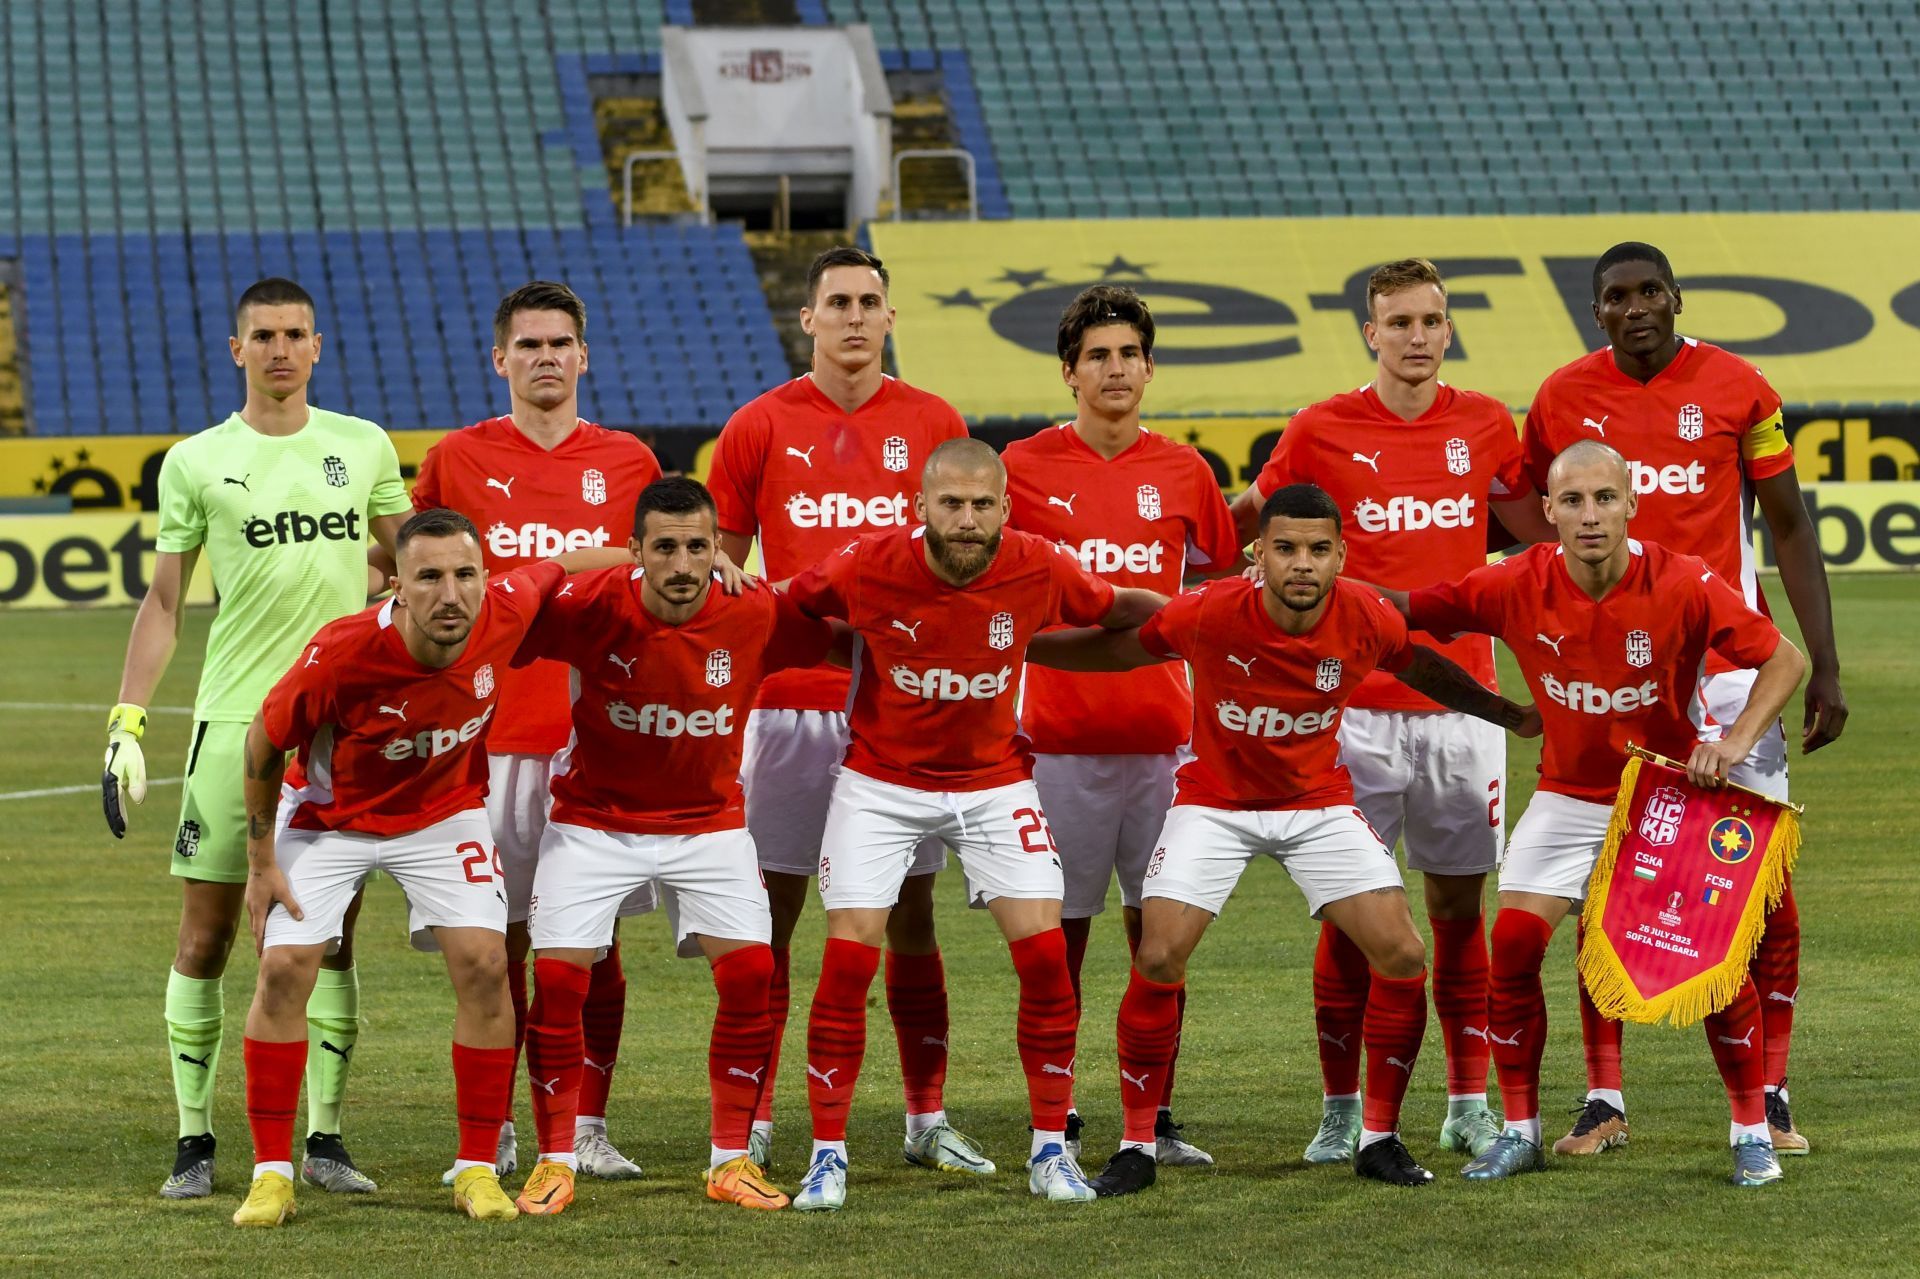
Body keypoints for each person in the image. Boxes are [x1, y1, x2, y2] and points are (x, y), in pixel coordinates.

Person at [1029, 483, 1539, 1196]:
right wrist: (1017, 647)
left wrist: (1505, 712)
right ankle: (1138, 1143)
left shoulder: (1364, 613)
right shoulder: (1208, 612)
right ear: (1257, 554)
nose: (1304, 564)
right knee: (1159, 951)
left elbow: (1420, 666)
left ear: (1341, 556)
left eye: (1319, 550)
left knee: (1402, 951)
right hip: (1215, 802)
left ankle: (1378, 1137)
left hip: (1316, 802)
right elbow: (1119, 650)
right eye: (1288, 549)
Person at [1397, 439, 1805, 1186]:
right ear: (1547, 511)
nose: (1591, 515)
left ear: (1631, 503)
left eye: (1605, 498)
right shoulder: (1513, 580)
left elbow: (1785, 659)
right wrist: (1312, 584)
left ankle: (1752, 1131)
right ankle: (1520, 1129)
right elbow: (1405, 613)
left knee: (1717, 968)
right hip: (1567, 795)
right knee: (1513, 944)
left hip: (1664, 795)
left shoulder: (1682, 580)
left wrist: (1737, 740)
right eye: (1574, 501)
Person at [781, 438, 1166, 1210]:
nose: (966, 519)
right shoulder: (864, 564)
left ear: (1004, 508)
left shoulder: (1040, 563)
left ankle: (1051, 1149)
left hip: (994, 781)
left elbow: (1115, 607)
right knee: (849, 957)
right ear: (919, 506)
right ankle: (827, 1154)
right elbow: (788, 607)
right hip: (881, 781)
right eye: (950, 503)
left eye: (980, 504)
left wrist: (1194, 613)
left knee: (1047, 959)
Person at [1228, 258, 1555, 1163]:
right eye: (1399, 321)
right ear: (1370, 331)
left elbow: (1540, 539)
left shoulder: (1488, 424)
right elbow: (1244, 524)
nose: (1417, 336)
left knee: (1457, 909)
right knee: (1349, 912)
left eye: (1432, 320)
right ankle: (1341, 1109)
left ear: (1449, 330)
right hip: (1350, 711)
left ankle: (1465, 1099)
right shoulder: (1322, 426)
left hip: (1463, 714)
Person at [1521, 241, 1844, 1156]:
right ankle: (1602, 1097)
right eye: (1616, 296)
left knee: (1762, 880)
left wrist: (1821, 661)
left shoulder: (1741, 386)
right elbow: (1529, 507)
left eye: (1649, 291)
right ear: (1597, 311)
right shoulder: (1559, 397)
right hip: (1613, 670)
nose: (1635, 308)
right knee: (1604, 874)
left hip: (1728, 667)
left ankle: (1771, 1091)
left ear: (1674, 296)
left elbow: (1788, 525)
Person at [101, 277, 412, 1199]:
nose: (280, 348)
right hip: (234, 722)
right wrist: (126, 717)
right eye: (263, 335)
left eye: (295, 334)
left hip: (339, 729)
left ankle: (324, 1135)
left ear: (319, 345)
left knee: (330, 938)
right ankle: (195, 1140)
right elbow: (165, 599)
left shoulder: (361, 447)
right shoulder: (196, 461)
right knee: (206, 937)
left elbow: (416, 556)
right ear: (236, 349)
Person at [230, 508, 624, 1227]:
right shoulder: (342, 652)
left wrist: (663, 562)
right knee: (285, 968)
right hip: (329, 817)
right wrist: (260, 862)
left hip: (443, 812)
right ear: (398, 588)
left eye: (466, 574)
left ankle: (476, 1167)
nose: (452, 594)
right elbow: (261, 745)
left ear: (484, 576)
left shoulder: (504, 608)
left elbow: (566, 559)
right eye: (430, 577)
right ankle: (271, 1173)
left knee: (484, 963)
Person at [507, 477, 842, 1216]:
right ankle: (554, 1159)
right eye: (665, 547)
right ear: (635, 552)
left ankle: (729, 1160)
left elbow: (833, 625)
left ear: (718, 547)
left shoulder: (752, 609)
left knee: (753, 972)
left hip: (709, 823)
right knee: (560, 980)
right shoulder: (595, 606)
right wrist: (582, 557)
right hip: (594, 820)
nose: (685, 563)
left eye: (699, 546)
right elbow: (519, 599)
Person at [706, 246, 971, 1172]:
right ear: (807, 319)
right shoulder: (758, 424)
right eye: (838, 303)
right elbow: (719, 568)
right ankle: (761, 1117)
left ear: (890, 317)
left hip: (904, 710)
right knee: (770, 917)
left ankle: (923, 1117)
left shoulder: (934, 420)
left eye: (870, 302)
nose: (855, 317)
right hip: (790, 710)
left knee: (909, 915)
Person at [410, 281, 663, 1182]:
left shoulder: (630, 460)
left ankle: (586, 1124)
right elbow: (425, 574)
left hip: (604, 731)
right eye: (529, 345)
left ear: (584, 356)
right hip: (490, 732)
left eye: (562, 343)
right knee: (497, 941)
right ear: (500, 359)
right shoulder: (457, 458)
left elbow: (655, 577)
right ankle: (502, 1124)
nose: (546, 357)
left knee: (595, 943)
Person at [1002, 283, 1242, 1165]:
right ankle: (1055, 1115)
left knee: (1161, 938)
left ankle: (1157, 1116)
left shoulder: (1185, 472)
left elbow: (1217, 590)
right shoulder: (1021, 469)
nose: (1114, 369)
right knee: (1055, 943)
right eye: (1096, 355)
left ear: (1150, 367)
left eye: (1128, 354)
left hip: (1166, 749)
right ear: (1068, 372)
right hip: (1052, 747)